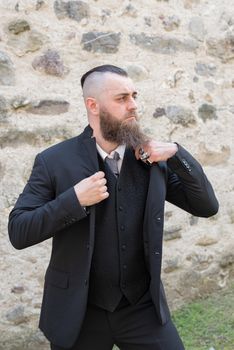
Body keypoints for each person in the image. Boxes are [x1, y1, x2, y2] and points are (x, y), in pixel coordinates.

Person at [8, 64, 219, 350]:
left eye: (134, 96)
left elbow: (206, 206)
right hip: (80, 311)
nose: (133, 106)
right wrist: (74, 200)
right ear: (93, 105)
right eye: (121, 99)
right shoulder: (54, 161)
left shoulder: (152, 159)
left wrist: (177, 154)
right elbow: (19, 231)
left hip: (141, 307)